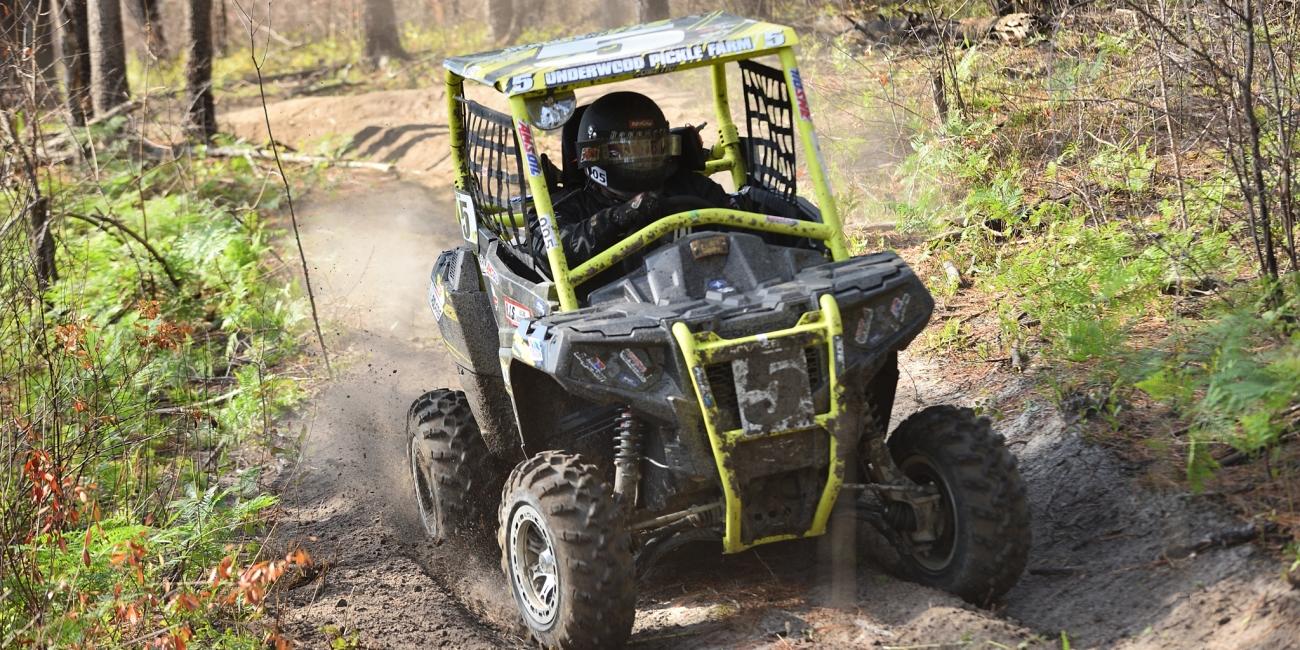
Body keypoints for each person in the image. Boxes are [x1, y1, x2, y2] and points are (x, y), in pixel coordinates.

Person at [528, 91, 740, 269]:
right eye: (630, 151)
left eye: (654, 147)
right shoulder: (570, 205)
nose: (644, 159)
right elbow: (550, 251)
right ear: (593, 154)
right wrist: (619, 217)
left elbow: (743, 217)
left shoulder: (690, 186)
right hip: (608, 310)